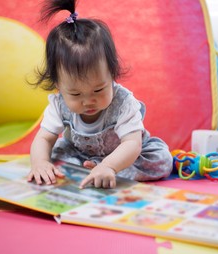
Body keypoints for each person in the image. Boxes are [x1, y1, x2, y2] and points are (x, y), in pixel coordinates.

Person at [27, 0, 173, 189]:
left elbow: (132, 144)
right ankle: (91, 169)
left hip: (126, 155)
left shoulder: (124, 102)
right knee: (55, 154)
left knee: (161, 159)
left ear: (112, 74)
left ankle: (102, 171)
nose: (88, 101)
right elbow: (44, 138)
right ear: (58, 85)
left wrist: (109, 165)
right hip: (80, 154)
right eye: (75, 93)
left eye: (98, 90)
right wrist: (40, 164)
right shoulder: (58, 104)